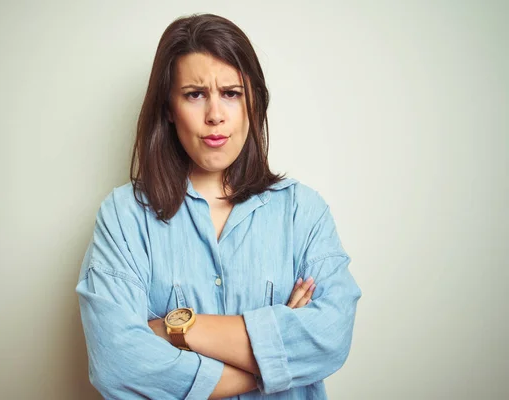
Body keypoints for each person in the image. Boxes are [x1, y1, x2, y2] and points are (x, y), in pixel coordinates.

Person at [76, 13, 361, 399]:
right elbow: (117, 364)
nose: (215, 115)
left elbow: (330, 338)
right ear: (168, 110)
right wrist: (276, 362)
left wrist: (177, 328)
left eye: (231, 93)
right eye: (195, 94)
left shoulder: (302, 212)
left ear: (253, 103)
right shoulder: (124, 217)